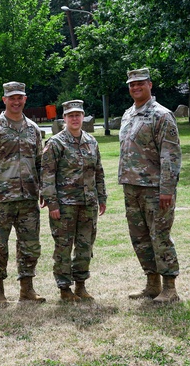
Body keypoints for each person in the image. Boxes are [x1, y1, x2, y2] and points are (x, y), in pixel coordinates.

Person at [0, 81, 46, 305]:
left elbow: (40, 162)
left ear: (25, 99)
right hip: (0, 200)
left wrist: (44, 189)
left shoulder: (34, 129)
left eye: (20, 97)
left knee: (30, 246)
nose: (16, 101)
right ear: (4, 100)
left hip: (28, 199)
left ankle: (27, 289)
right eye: (11, 97)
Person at [118, 67, 182, 303]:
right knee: (140, 238)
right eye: (132, 85)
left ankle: (170, 287)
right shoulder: (128, 114)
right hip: (131, 187)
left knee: (160, 237)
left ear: (150, 85)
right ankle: (152, 283)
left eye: (140, 84)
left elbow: (171, 156)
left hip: (155, 189)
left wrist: (167, 189)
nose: (135, 88)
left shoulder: (161, 115)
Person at [42, 99, 107, 302]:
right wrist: (52, 203)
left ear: (83, 116)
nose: (75, 119)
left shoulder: (91, 141)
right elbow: (47, 175)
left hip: (88, 203)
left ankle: (81, 285)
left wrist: (102, 197)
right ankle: (64, 289)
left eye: (78, 115)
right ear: (65, 118)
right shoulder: (56, 143)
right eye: (71, 116)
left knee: (85, 246)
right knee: (63, 247)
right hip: (64, 206)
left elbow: (98, 171)